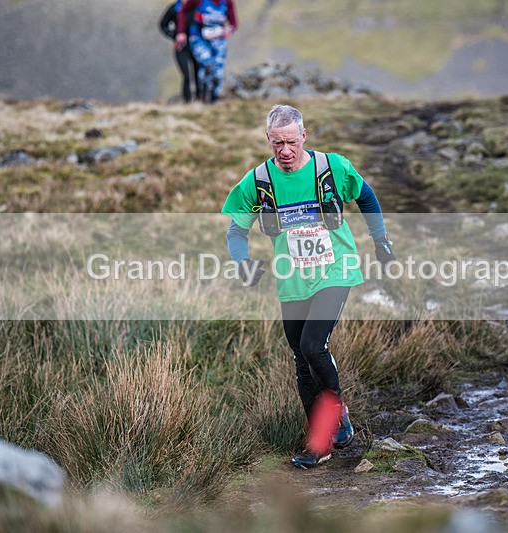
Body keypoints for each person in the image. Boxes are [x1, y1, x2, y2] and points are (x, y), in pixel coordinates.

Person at [221, 104, 396, 468]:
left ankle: (338, 414)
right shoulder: (257, 181)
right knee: (302, 362)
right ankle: (319, 444)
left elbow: (366, 196)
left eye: (291, 142)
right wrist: (242, 263)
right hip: (292, 279)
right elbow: (236, 231)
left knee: (313, 345)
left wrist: (380, 241)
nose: (285, 151)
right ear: (268, 140)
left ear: (304, 136)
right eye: (276, 144)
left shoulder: (332, 168)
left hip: (336, 269)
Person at [176, 0, 237, 104]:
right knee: (206, 64)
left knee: (218, 70)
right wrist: (181, 32)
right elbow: (182, 11)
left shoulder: (227, 2)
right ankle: (202, 95)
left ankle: (214, 99)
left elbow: (233, 23)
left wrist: (229, 29)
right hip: (199, 38)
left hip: (219, 40)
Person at [159, 1, 202, 103]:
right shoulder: (175, 8)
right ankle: (187, 102)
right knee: (186, 75)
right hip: (181, 47)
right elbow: (163, 24)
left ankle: (200, 101)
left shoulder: (198, 5)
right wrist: (174, 36)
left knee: (198, 73)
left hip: (197, 45)